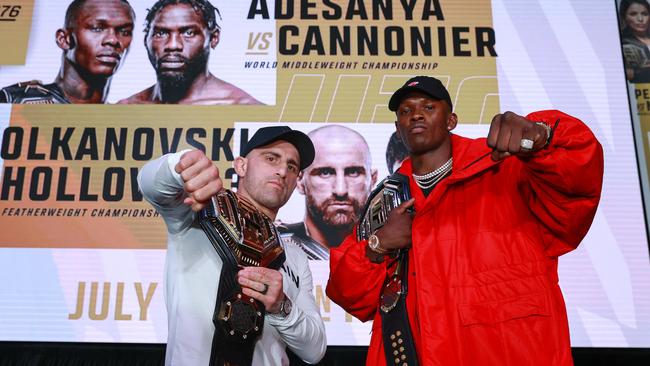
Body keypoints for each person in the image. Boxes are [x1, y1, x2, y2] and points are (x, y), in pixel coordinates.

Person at [326, 76, 604, 365]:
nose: (416, 114)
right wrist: (380, 243)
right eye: (406, 111)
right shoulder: (384, 203)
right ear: (398, 129)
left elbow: (578, 184)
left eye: (429, 107)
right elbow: (349, 293)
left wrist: (543, 135)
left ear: (451, 120)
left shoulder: (507, 169)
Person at [138, 126, 326, 365]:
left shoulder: (294, 256)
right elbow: (150, 185)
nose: (282, 171)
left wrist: (281, 306)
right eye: (271, 158)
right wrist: (180, 166)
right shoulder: (199, 211)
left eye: (292, 167)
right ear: (241, 166)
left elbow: (315, 350)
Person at [120, 0, 261, 105]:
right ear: (146, 39)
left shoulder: (243, 107)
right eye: (161, 33)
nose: (172, 45)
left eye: (189, 33)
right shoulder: (125, 108)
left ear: (214, 38)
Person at [0, 0, 135, 104]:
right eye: (97, 28)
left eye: (125, 32)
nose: (113, 40)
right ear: (64, 39)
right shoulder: (14, 100)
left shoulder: (126, 122)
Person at [281, 125, 378, 260]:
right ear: (299, 181)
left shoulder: (391, 251)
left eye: (353, 172)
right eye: (325, 173)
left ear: (372, 179)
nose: (340, 190)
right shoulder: (276, 249)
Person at [620, 0, 650, 83]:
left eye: (645, 14)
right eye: (633, 14)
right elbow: (629, 74)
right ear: (624, 17)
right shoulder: (622, 42)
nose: (640, 19)